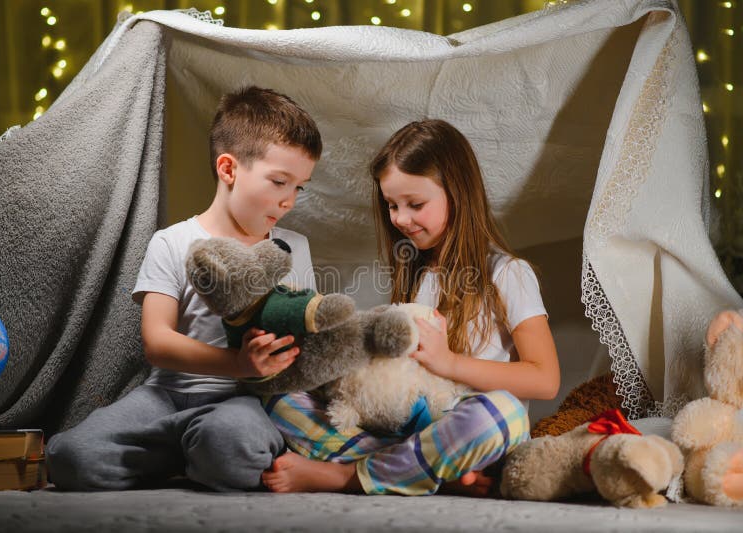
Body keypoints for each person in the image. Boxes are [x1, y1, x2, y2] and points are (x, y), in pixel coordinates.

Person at [262, 119, 560, 496]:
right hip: (409, 425)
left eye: (415, 204)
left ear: (458, 193)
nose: (401, 219)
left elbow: (545, 379)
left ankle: (348, 476)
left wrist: (450, 363)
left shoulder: (507, 273)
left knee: (505, 415)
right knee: (278, 396)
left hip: (467, 426)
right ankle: (429, 472)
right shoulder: (417, 273)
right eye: (392, 205)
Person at [45, 86, 322, 491]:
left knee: (233, 444)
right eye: (279, 182)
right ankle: (186, 455)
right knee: (71, 457)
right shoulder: (172, 241)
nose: (289, 201)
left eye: (299, 187)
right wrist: (238, 362)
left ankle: (197, 452)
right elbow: (157, 342)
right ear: (228, 169)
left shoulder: (291, 248)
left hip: (242, 402)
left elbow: (305, 337)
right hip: (165, 396)